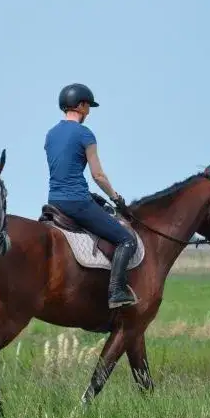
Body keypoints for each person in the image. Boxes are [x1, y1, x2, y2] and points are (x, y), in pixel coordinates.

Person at [44, 83, 137, 309]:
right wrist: (116, 198)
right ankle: (116, 291)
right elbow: (98, 175)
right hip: (76, 202)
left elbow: (64, 171)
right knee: (126, 239)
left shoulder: (51, 134)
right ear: (81, 105)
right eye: (88, 107)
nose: (89, 112)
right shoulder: (85, 134)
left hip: (54, 201)